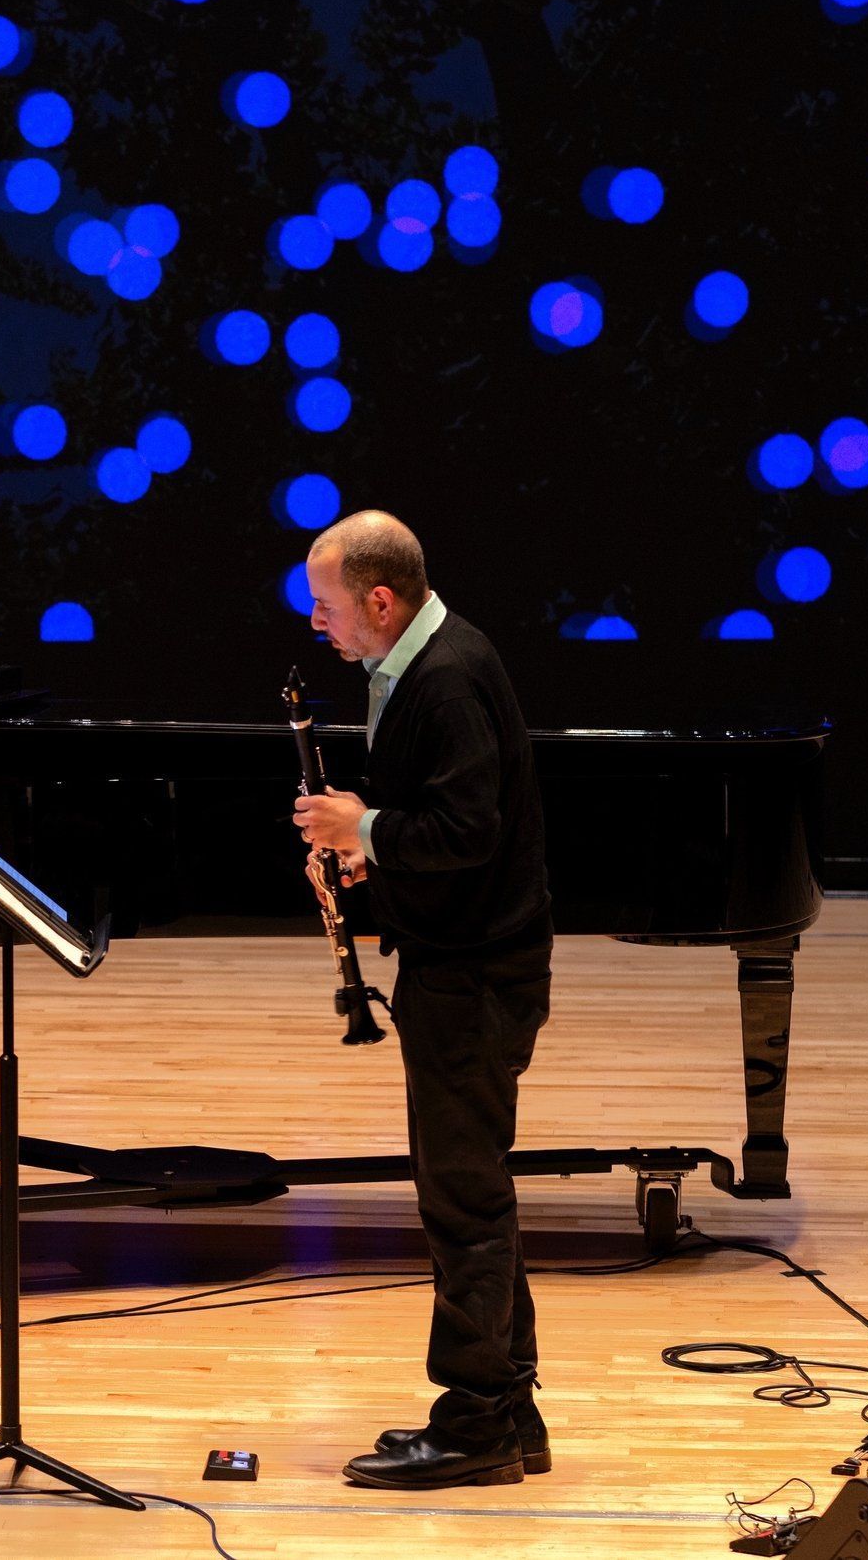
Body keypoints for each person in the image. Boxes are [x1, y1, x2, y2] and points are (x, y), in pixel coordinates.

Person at [290, 511, 555, 1492]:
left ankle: (476, 1420)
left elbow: (468, 831)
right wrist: (372, 858)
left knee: (462, 1201)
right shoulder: (423, 660)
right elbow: (439, 833)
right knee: (470, 1188)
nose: (315, 621)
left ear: (379, 599)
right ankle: (506, 1408)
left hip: (475, 976)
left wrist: (366, 823)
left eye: (325, 604)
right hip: (464, 961)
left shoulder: (443, 676)